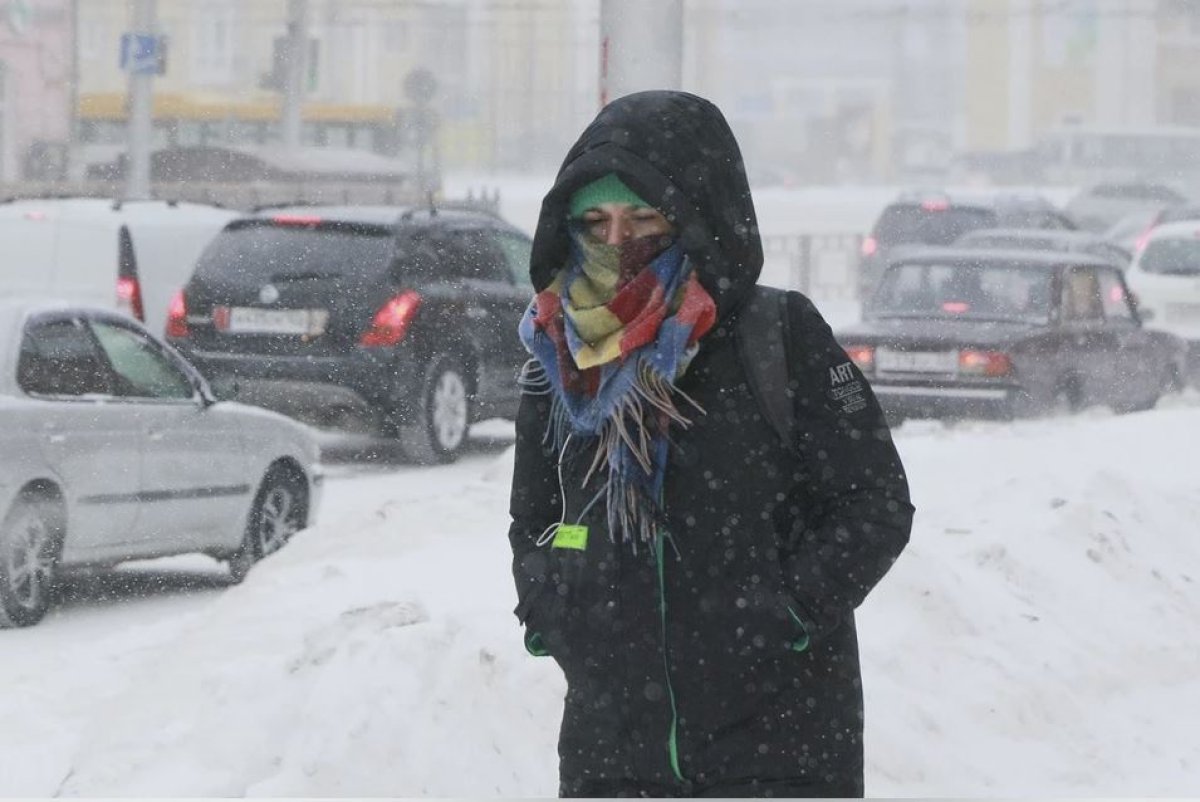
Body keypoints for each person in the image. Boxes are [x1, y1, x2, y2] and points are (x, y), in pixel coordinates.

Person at [508, 90, 914, 798]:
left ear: (695, 218)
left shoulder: (778, 336)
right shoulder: (562, 350)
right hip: (613, 755)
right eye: (595, 222)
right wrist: (556, 609)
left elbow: (874, 503)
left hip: (778, 750)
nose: (617, 241)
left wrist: (784, 613)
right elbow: (536, 514)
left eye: (643, 219)